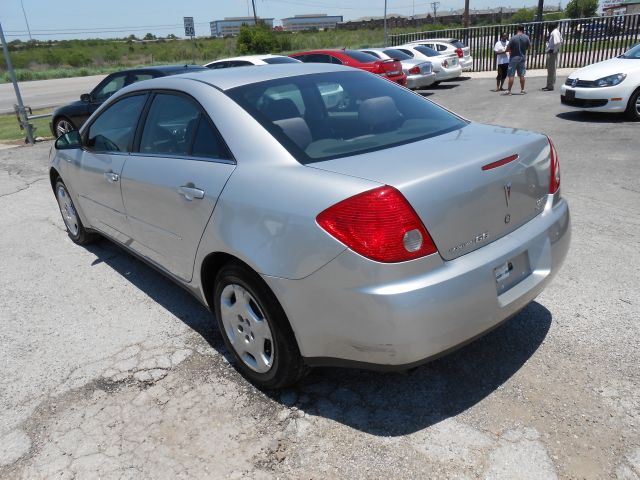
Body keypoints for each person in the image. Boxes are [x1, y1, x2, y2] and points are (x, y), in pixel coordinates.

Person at [504, 25, 530, 96]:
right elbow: (529, 47)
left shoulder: (513, 38)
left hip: (513, 58)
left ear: (517, 29)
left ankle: (509, 91)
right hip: (522, 58)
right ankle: (522, 90)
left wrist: (508, 50)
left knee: (511, 75)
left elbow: (508, 48)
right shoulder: (526, 37)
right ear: (523, 29)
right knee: (522, 74)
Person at [542, 23, 563, 91]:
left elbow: (557, 42)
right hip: (551, 52)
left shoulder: (554, 32)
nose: (548, 29)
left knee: (551, 70)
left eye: (548, 28)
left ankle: (550, 86)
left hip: (552, 53)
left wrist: (553, 50)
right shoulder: (556, 32)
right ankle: (549, 85)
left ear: (551, 27)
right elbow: (561, 41)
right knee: (551, 69)